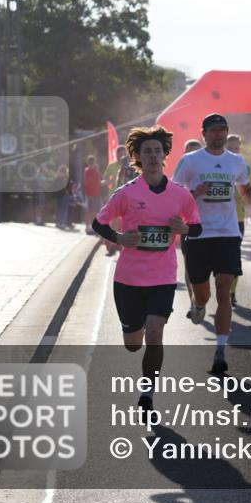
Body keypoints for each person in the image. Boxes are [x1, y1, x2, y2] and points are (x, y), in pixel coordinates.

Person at [92, 125, 202, 414]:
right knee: (132, 344)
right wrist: (118, 238)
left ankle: (147, 394)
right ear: (138, 157)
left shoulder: (180, 194)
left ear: (165, 155)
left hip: (162, 278)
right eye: (147, 152)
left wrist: (185, 229)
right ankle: (133, 329)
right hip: (128, 279)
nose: (153, 156)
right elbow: (98, 223)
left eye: (157, 151)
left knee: (155, 333)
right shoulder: (127, 193)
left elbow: (197, 226)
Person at [172, 114, 251, 374]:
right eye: (213, 130)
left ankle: (220, 351)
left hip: (228, 233)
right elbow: (172, 196)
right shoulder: (190, 161)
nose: (219, 134)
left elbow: (245, 193)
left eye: (222, 129)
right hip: (198, 234)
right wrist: (195, 193)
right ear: (204, 134)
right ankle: (199, 305)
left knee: (224, 289)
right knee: (204, 293)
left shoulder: (237, 161)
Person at [174, 139, 203, 310]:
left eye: (198, 152)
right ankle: (193, 301)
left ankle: (201, 297)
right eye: (190, 152)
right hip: (189, 225)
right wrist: (195, 193)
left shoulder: (210, 168)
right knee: (189, 265)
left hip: (211, 226)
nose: (194, 156)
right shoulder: (182, 171)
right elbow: (175, 194)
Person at [225, 134, 251, 306]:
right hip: (216, 221)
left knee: (234, 257)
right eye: (230, 148)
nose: (234, 152)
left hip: (237, 220)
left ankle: (231, 292)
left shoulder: (244, 166)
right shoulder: (213, 165)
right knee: (218, 261)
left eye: (237, 148)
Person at [83, 155, 103, 235]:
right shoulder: (87, 171)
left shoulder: (96, 170)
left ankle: (93, 226)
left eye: (93, 162)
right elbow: (88, 182)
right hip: (89, 194)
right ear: (88, 163)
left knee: (95, 211)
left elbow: (100, 179)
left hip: (96, 193)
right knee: (89, 211)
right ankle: (88, 227)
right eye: (90, 162)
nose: (92, 163)